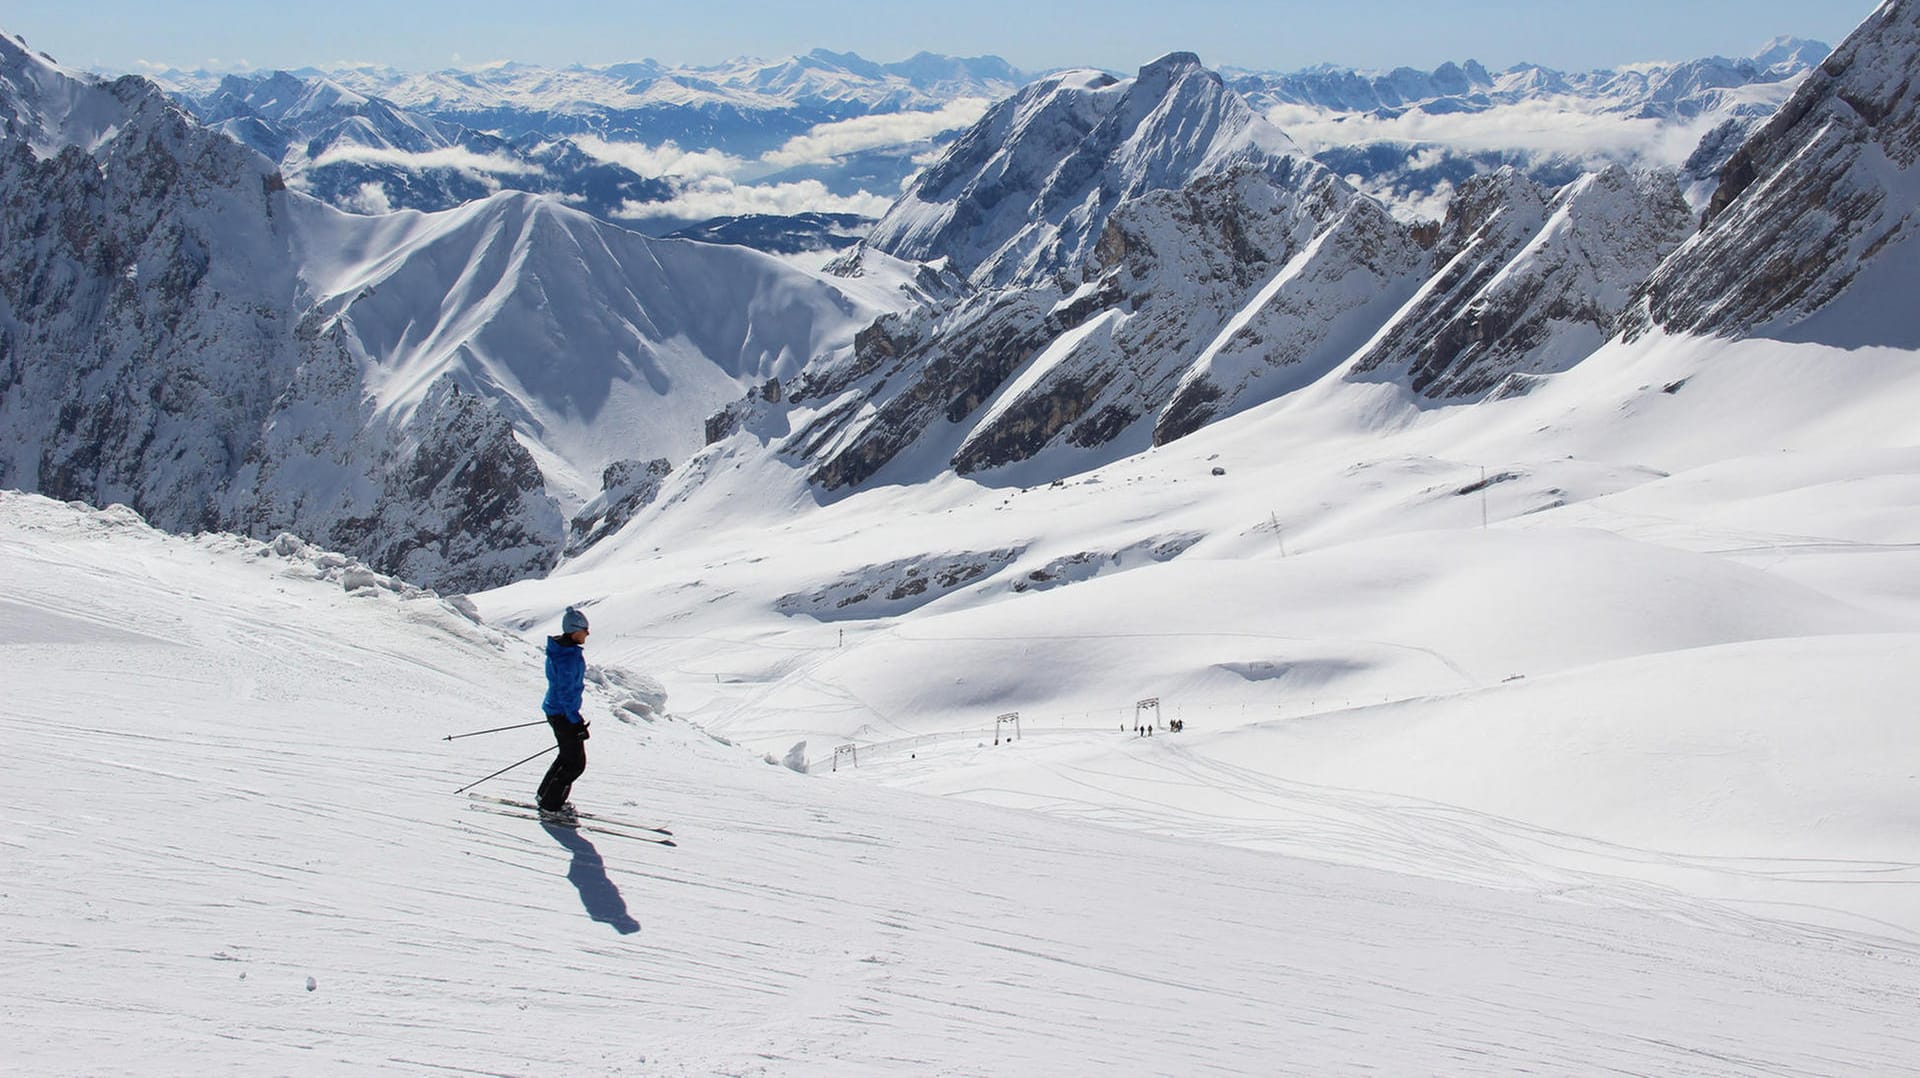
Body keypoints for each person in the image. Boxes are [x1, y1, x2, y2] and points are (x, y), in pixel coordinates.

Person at [537, 606, 592, 821]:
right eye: (584, 630)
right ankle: (551, 806)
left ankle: (546, 796)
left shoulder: (562, 651)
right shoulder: (568, 658)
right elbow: (566, 692)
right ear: (574, 631)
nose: (587, 634)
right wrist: (575, 722)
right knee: (575, 764)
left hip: (557, 710)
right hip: (562, 713)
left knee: (566, 757)